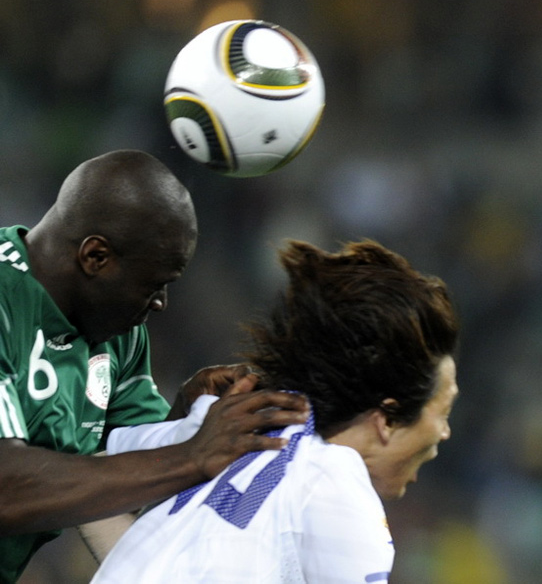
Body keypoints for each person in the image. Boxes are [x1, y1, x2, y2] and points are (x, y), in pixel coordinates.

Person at [0, 150, 310, 582]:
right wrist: (190, 453)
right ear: (95, 257)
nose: (161, 303)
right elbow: (7, 489)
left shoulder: (116, 331)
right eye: (154, 284)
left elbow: (129, 485)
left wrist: (186, 419)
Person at [91, 238, 460, 583]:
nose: (445, 433)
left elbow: (95, 485)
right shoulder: (341, 487)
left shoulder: (218, 425)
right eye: (443, 413)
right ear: (388, 418)